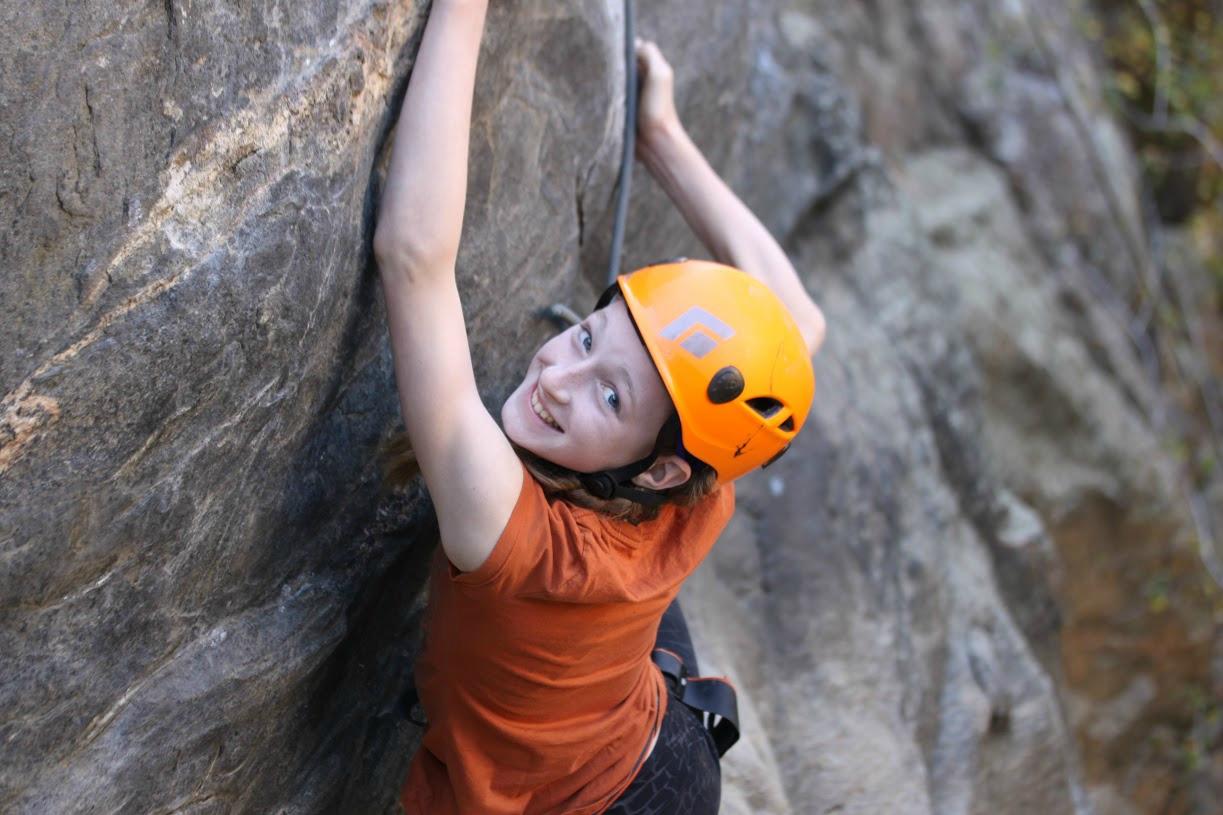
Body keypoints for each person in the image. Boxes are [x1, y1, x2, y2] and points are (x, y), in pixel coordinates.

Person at [373, 1, 826, 812]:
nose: (554, 378)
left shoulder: (511, 533)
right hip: (661, 732)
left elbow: (413, 258)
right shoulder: (695, 472)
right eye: (586, 339)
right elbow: (800, 325)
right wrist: (662, 138)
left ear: (657, 468)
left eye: (609, 395)